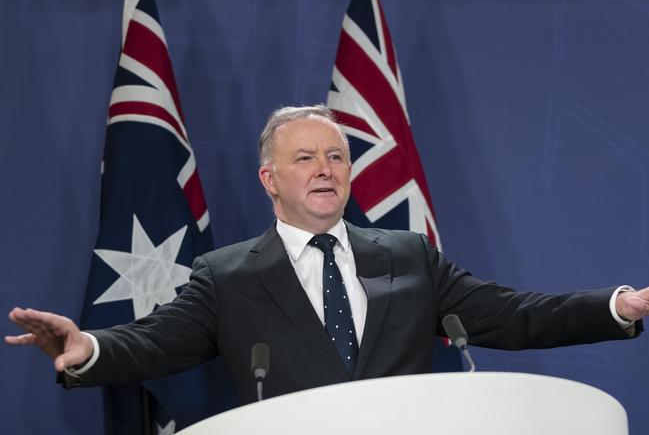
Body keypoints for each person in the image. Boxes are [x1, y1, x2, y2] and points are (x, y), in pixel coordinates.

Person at [6, 105, 649, 405]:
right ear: (270, 179)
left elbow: (514, 316)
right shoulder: (227, 276)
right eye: (305, 157)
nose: (324, 168)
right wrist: (87, 348)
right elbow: (156, 343)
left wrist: (619, 305)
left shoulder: (408, 255)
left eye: (336, 155)